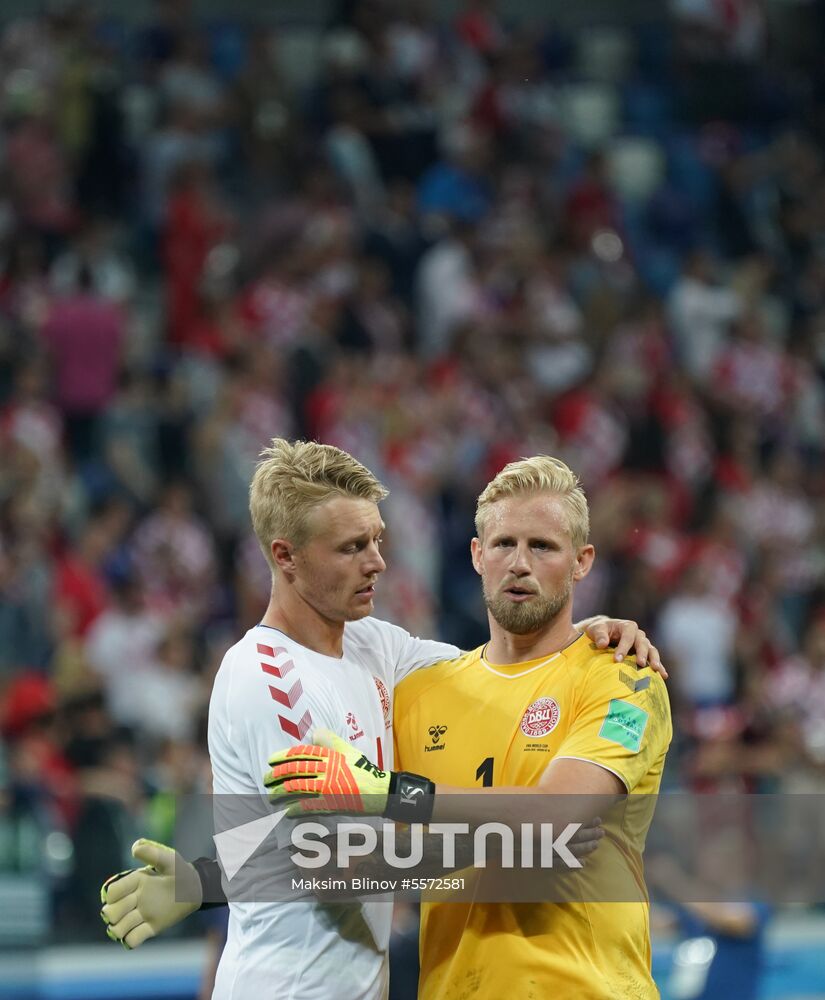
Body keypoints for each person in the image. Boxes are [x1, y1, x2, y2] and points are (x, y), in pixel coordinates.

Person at [100, 440, 662, 999]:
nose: (377, 562)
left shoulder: (382, 652)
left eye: (376, 540)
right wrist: (520, 836)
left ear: (581, 559)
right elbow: (327, 867)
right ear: (285, 555)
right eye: (350, 547)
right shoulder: (267, 679)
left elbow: (508, 668)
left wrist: (590, 633)